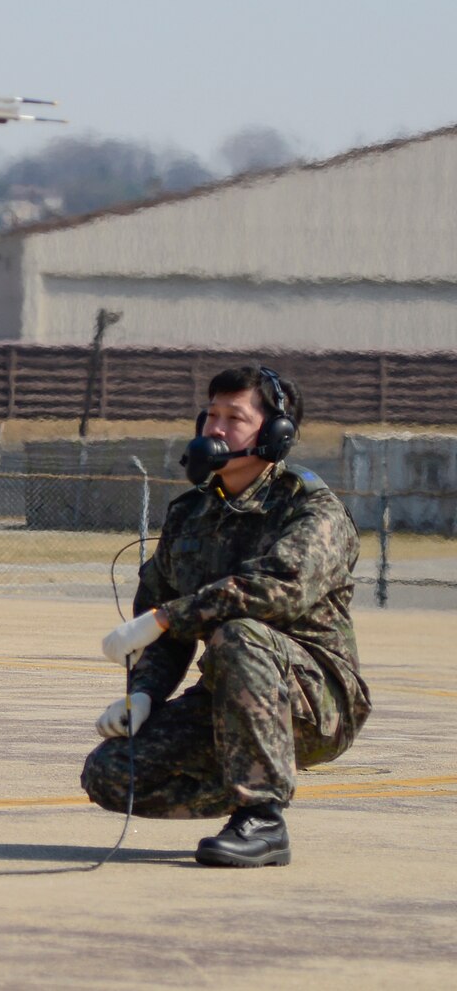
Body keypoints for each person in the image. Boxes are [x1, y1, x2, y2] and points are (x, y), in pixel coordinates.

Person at [81, 365, 370, 867]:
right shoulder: (191, 514)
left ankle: (262, 817)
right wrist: (145, 692)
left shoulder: (312, 511)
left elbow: (279, 589)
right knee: (112, 774)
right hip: (230, 698)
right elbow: (160, 619)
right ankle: (250, 779)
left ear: (275, 434)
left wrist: (170, 617)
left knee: (240, 634)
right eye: (210, 414)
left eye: (234, 417)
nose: (215, 429)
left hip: (316, 699)